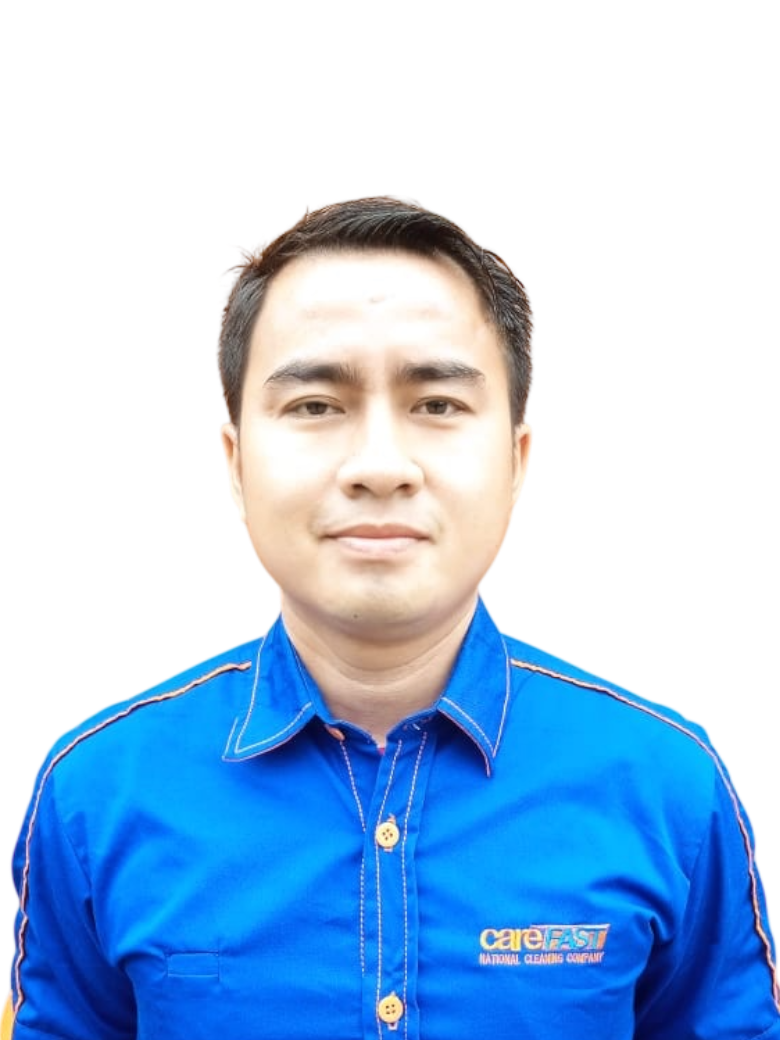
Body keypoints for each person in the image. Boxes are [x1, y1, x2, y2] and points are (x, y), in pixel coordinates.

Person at [4, 194, 778, 1039]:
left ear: (518, 461)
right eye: (315, 405)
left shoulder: (668, 783)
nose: (379, 466)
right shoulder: (95, 791)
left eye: (437, 404)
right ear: (234, 464)